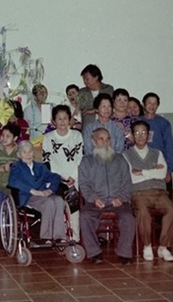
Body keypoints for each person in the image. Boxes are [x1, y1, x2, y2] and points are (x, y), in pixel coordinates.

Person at [79, 128, 135, 264]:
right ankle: (94, 253)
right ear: (93, 142)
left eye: (108, 139)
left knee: (128, 218)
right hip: (96, 202)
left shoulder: (120, 160)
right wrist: (93, 198)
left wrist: (121, 198)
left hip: (119, 202)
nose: (105, 142)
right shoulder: (86, 162)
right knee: (85, 217)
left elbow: (127, 183)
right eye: (101, 139)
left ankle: (124, 253)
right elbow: (84, 185)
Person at [123, 121, 173, 262]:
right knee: (143, 213)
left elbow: (163, 173)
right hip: (138, 193)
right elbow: (131, 177)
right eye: (137, 133)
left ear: (149, 135)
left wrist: (142, 172)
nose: (140, 136)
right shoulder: (126, 155)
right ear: (133, 136)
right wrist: (153, 171)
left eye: (144, 133)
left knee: (171, 211)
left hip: (159, 192)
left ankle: (163, 247)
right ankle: (147, 245)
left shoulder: (157, 153)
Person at [8, 141, 67, 245]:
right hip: (28, 196)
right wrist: (33, 191)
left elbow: (55, 177)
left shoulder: (40, 167)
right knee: (48, 203)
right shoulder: (17, 166)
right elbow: (13, 181)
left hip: (44, 194)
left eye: (30, 152)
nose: (28, 155)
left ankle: (59, 236)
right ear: (19, 155)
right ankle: (46, 237)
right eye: (24, 152)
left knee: (59, 201)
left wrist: (50, 190)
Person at [42, 105, 83, 242]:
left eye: (65, 118)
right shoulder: (48, 138)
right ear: (53, 121)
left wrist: (72, 176)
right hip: (55, 178)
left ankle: (74, 237)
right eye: (59, 119)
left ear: (70, 119)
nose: (62, 122)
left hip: (74, 177)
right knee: (56, 203)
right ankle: (57, 235)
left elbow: (79, 158)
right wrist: (58, 177)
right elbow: (47, 160)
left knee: (73, 205)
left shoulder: (77, 136)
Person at [0, 123, 20, 253]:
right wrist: (3, 168)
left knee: (17, 210)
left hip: (14, 187)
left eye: (8, 136)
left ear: (15, 138)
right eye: (3, 135)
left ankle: (15, 236)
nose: (4, 138)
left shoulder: (19, 150)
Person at [141, 92, 173, 200]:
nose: (152, 106)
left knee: (164, 199)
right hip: (141, 163)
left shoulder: (164, 123)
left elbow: (169, 147)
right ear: (143, 104)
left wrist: (168, 169)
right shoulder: (137, 121)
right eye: (149, 103)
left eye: (155, 103)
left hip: (160, 164)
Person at [78, 64, 114, 129]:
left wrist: (94, 110)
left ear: (96, 77)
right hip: (88, 127)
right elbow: (82, 108)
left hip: (106, 126)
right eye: (84, 79)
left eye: (87, 79)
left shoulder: (108, 89)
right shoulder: (82, 92)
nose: (85, 81)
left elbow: (111, 108)